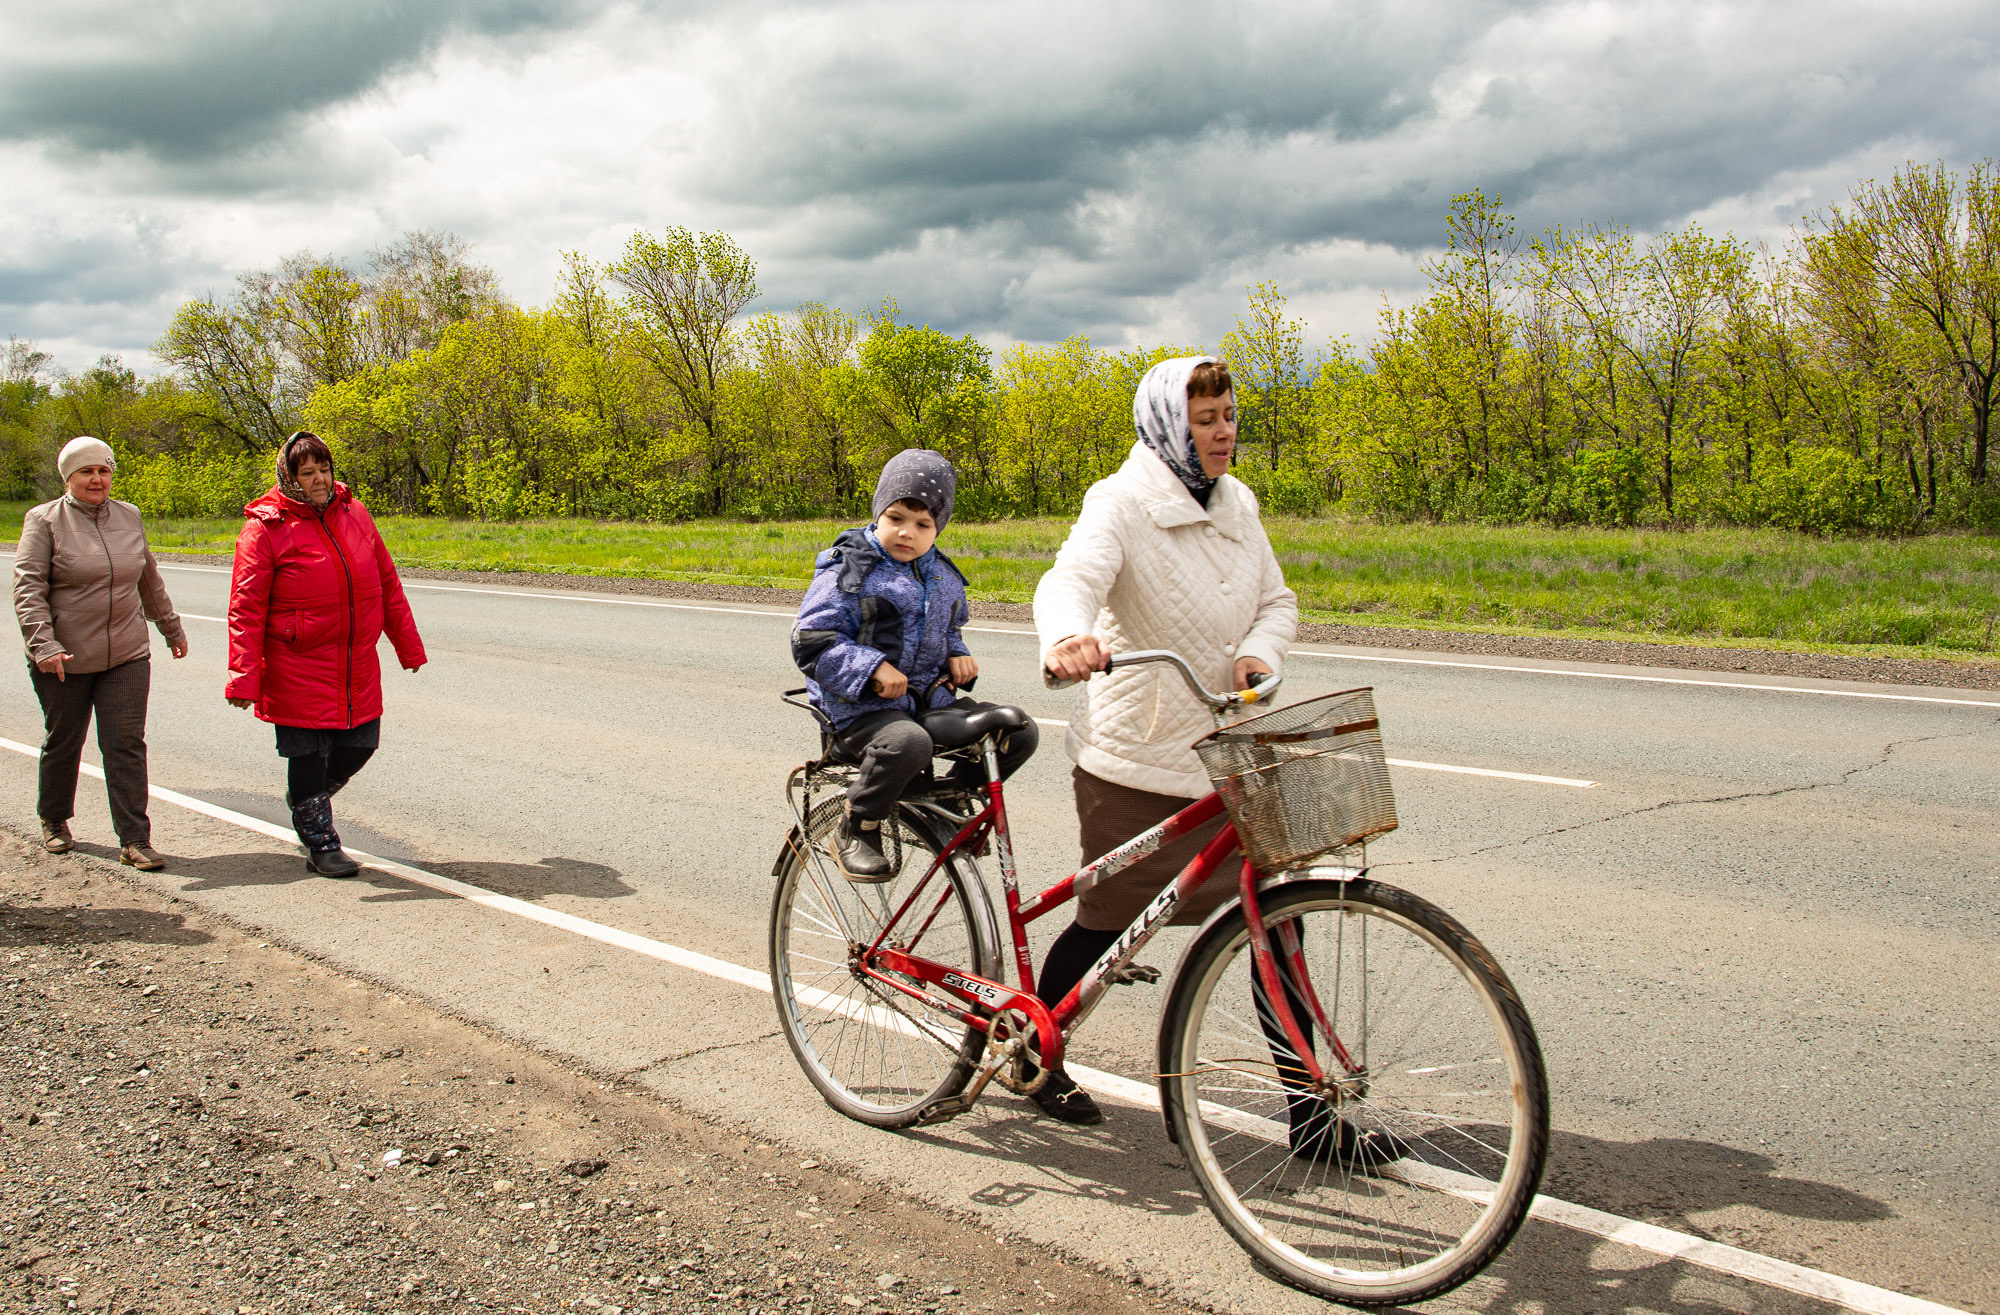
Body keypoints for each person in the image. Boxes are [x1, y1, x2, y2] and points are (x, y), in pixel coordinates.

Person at [1031, 356, 1307, 1126]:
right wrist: (1067, 636)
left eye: (1228, 416)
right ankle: (1030, 1047)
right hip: (1138, 756)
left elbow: (1276, 601)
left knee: (1278, 919)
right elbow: (1071, 579)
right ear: (1166, 423)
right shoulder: (1119, 502)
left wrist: (1262, 652)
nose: (1224, 433)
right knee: (1109, 919)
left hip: (1229, 746)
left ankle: (1312, 1109)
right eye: (1206, 419)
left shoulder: (1238, 505)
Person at [791, 449, 1037, 880]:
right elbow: (811, 642)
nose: (907, 532)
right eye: (896, 517)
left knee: (1018, 733)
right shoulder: (850, 567)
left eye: (923, 524)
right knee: (908, 743)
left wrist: (956, 652)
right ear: (878, 514)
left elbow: (948, 627)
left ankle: (950, 799)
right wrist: (870, 668)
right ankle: (858, 824)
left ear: (938, 527)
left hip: (928, 701)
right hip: (859, 711)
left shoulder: (940, 573)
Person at [225, 432, 426, 877]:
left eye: (324, 469)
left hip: (356, 662)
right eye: (308, 472)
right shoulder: (266, 527)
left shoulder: (354, 512)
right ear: (289, 477)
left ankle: (305, 801)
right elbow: (246, 607)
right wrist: (243, 676)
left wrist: (406, 644)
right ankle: (321, 842)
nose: (319, 480)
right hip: (296, 663)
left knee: (361, 744)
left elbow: (387, 582)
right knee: (308, 755)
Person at [12, 436, 189, 869]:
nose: (97, 479)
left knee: (125, 743)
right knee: (64, 740)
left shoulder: (129, 516)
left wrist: (169, 627)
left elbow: (147, 577)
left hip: (126, 652)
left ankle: (135, 839)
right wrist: (44, 644)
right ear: (68, 477)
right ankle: (54, 819)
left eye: (103, 470)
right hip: (65, 658)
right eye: (87, 471)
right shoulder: (44, 520)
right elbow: (28, 587)